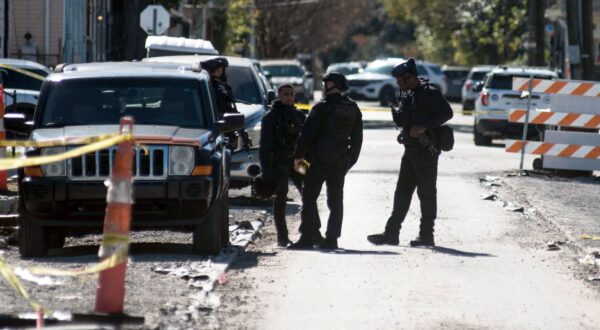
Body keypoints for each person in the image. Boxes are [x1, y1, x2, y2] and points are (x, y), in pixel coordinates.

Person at [367, 58, 453, 247]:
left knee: (426, 193)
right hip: (411, 150)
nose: (398, 83)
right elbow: (406, 121)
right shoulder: (407, 95)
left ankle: (426, 235)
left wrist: (424, 126)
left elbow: (448, 113)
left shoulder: (430, 93)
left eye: (400, 80)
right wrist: (403, 129)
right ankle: (391, 233)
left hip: (426, 151)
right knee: (402, 192)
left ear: (410, 77)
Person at [289, 72, 363, 250]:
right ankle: (332, 239)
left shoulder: (322, 107)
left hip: (317, 160)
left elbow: (306, 134)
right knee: (336, 200)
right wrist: (349, 161)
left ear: (333, 85)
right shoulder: (353, 107)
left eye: (326, 83)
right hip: (340, 161)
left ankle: (307, 237)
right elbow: (357, 139)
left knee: (309, 196)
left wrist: (298, 156)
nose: (323, 87)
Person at [259, 84, 306, 247]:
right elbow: (264, 147)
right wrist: (266, 171)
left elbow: (307, 141)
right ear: (279, 95)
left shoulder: (299, 115)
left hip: (299, 161)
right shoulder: (270, 117)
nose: (289, 97)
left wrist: (309, 163)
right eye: (285, 94)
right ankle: (282, 237)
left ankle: (308, 231)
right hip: (279, 162)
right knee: (281, 199)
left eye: (292, 94)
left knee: (309, 193)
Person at [201, 56, 252, 152]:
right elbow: (221, 114)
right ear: (219, 71)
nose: (227, 73)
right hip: (218, 138)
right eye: (226, 70)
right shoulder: (213, 90)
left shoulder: (219, 88)